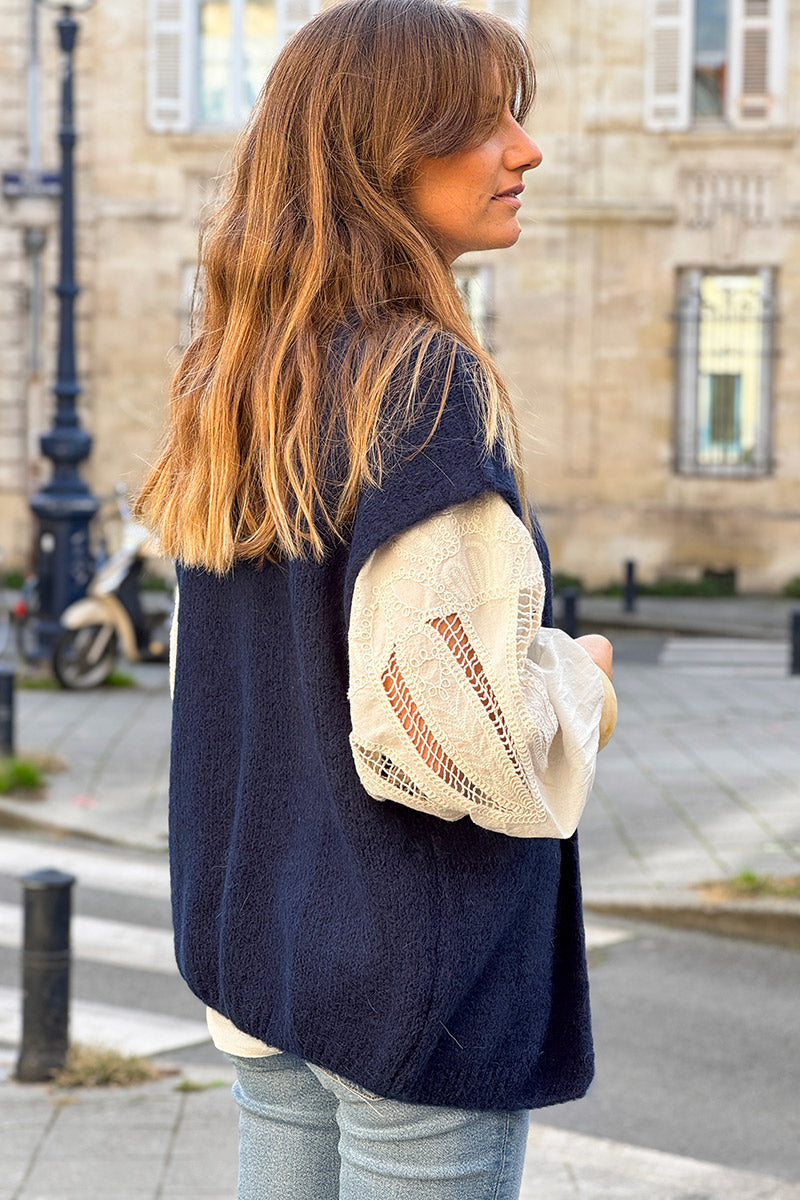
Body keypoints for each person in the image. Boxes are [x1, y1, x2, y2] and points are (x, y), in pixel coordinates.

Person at [136, 1, 617, 1197]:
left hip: (261, 942)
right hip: (410, 972)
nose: (524, 150)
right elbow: (455, 740)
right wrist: (580, 684)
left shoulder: (235, 381)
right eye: (483, 122)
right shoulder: (422, 383)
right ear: (376, 151)